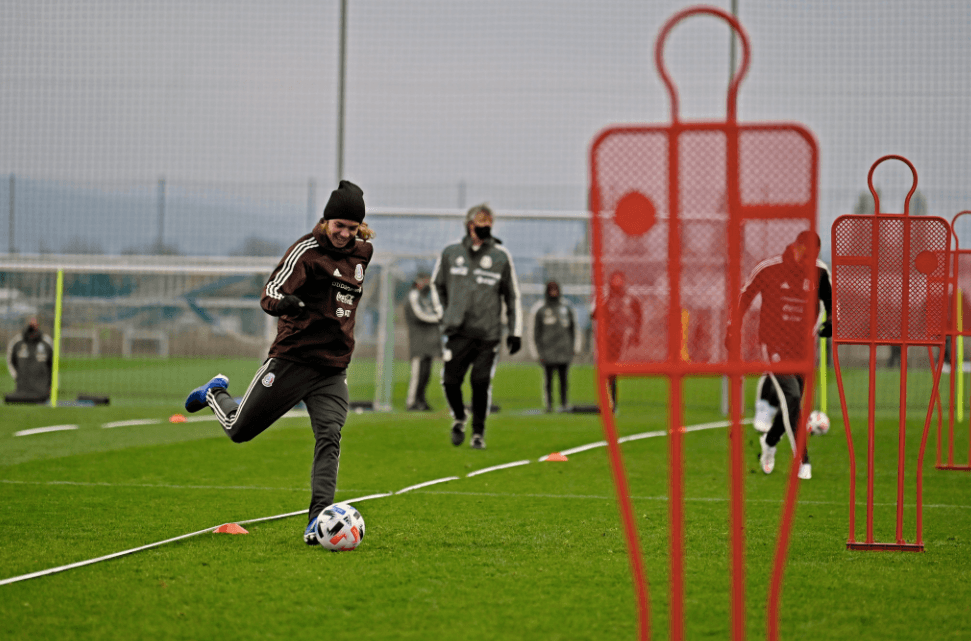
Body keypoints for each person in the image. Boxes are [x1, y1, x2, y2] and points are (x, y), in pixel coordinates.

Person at [183, 180, 374, 545]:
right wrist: (285, 303)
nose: (343, 233)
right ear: (326, 221)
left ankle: (318, 519)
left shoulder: (362, 254)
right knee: (240, 431)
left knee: (329, 436)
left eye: (351, 228)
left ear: (360, 229)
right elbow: (271, 291)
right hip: (292, 360)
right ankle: (214, 393)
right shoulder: (306, 251)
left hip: (332, 370)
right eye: (338, 225)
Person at [734, 230, 832, 481]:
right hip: (774, 345)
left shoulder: (819, 272)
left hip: (802, 348)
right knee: (793, 396)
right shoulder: (770, 269)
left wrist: (830, 321)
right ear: (796, 247)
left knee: (794, 404)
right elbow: (745, 296)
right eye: (806, 254)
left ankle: (770, 440)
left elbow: (831, 302)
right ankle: (802, 459)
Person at [431, 203, 523, 449]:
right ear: (470, 225)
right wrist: (443, 314)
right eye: (481, 225)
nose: (485, 230)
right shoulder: (451, 253)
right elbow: (436, 286)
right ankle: (460, 417)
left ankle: (478, 433)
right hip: (457, 331)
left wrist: (515, 332)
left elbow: (512, 296)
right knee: (450, 382)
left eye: (488, 226)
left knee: (480, 382)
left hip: (488, 333)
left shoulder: (501, 257)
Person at [591, 270, 643, 412]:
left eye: (620, 279)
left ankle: (612, 402)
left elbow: (639, 315)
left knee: (612, 370)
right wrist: (604, 300)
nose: (617, 282)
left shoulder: (630, 298)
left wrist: (636, 334)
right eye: (615, 279)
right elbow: (594, 314)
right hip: (604, 338)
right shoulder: (603, 296)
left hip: (620, 337)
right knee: (603, 370)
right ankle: (604, 401)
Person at [529, 280, 580, 412]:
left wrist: (576, 346)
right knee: (548, 380)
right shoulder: (540, 309)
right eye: (551, 289)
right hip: (547, 351)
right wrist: (536, 352)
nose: (553, 292)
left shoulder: (567, 307)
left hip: (564, 349)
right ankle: (549, 405)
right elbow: (534, 332)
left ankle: (564, 403)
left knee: (564, 380)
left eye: (555, 289)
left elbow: (574, 329)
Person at [404, 271, 442, 411]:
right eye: (426, 281)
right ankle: (412, 402)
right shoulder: (413, 296)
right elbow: (420, 315)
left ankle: (421, 401)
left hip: (429, 344)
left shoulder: (424, 298)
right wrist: (440, 318)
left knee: (426, 375)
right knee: (418, 374)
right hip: (419, 343)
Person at [5, 318, 54, 403]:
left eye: (35, 323)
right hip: (21, 390)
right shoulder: (17, 341)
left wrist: (51, 383)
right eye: (31, 323)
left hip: (42, 390)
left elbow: (53, 364)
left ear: (38, 325)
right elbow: (10, 361)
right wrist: (17, 376)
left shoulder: (47, 341)